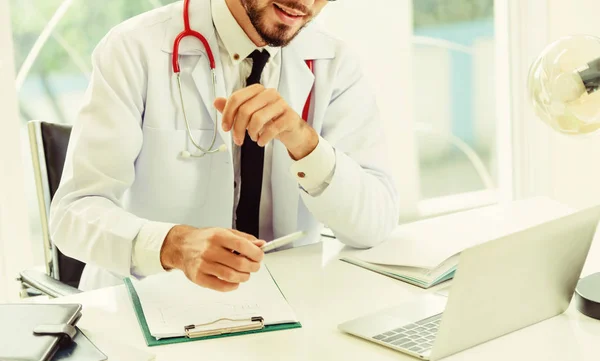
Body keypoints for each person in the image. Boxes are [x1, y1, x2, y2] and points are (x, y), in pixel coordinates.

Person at [49, 0, 399, 292]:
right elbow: (72, 213)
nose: (304, 3)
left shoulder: (333, 62)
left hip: (286, 314)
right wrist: (173, 245)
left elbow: (373, 224)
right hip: (148, 304)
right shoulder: (133, 48)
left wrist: (306, 143)